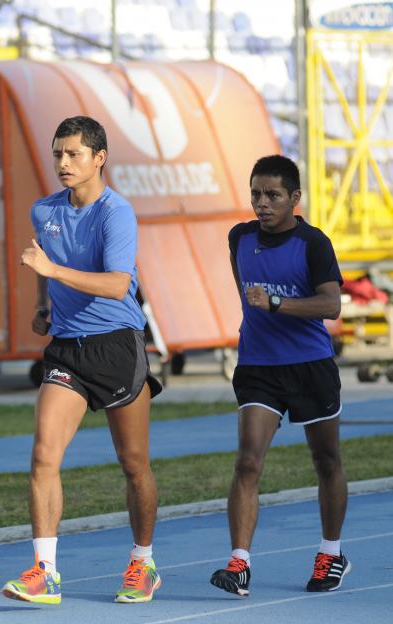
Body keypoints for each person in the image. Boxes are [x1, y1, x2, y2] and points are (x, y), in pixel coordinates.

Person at [1, 116, 163, 606]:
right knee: (43, 454)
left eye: (73, 154)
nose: (63, 163)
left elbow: (118, 284)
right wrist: (42, 301)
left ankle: (143, 561)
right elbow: (40, 257)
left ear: (99, 157)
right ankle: (45, 570)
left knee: (133, 464)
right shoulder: (43, 210)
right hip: (67, 349)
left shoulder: (117, 213)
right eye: (57, 154)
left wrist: (53, 271)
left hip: (116, 344)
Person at [210, 155, 348, 597]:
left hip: (310, 365)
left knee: (325, 461)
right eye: (255, 194)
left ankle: (331, 552)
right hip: (258, 366)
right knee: (248, 460)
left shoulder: (313, 243)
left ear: (294, 198)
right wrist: (258, 316)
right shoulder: (240, 238)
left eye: (272, 195)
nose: (262, 203)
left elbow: (330, 306)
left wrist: (275, 304)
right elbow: (244, 290)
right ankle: (239, 563)